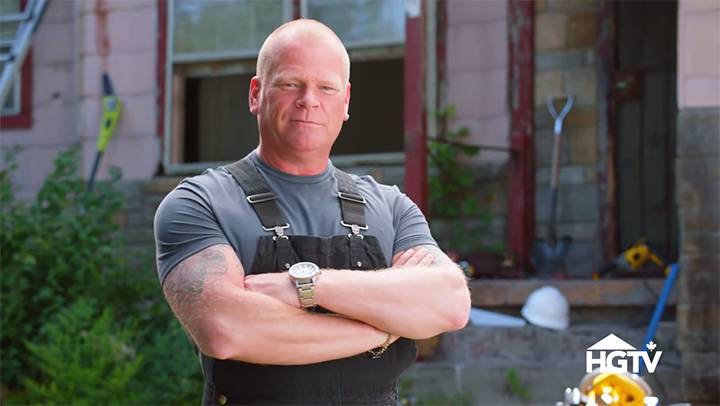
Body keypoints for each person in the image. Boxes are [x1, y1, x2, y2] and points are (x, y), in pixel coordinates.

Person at [154, 19, 470, 405]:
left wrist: (307, 287)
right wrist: (384, 331)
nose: (309, 100)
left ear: (346, 101)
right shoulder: (200, 203)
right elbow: (225, 330)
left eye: (326, 87)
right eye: (290, 84)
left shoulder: (391, 207)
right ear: (256, 94)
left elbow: (451, 303)